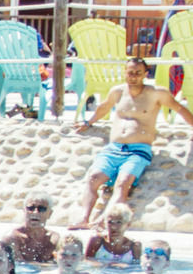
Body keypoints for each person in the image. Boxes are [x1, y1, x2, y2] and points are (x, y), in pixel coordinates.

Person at [71, 58, 193, 228]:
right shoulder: (118, 92)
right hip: (114, 148)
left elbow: (179, 108)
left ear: (145, 74)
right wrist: (89, 122)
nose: (133, 76)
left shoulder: (157, 93)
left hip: (138, 149)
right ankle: (84, 219)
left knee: (123, 182)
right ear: (125, 73)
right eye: (130, 72)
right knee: (93, 178)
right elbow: (104, 107)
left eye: (137, 73)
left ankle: (104, 221)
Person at [7, 194, 60, 264]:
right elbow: (19, 267)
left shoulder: (54, 239)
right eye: (31, 208)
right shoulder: (12, 238)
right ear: (24, 211)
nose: (35, 212)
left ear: (49, 214)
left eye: (41, 209)